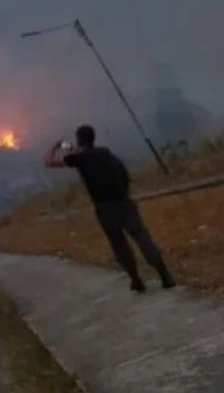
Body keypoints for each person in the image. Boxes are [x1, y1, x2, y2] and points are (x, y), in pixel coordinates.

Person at [45, 124, 176, 292]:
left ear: (79, 140)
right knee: (142, 237)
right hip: (125, 202)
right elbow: (123, 173)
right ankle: (165, 275)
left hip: (105, 208)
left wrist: (56, 145)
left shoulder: (79, 158)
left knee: (119, 244)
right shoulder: (106, 153)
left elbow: (48, 162)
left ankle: (136, 280)